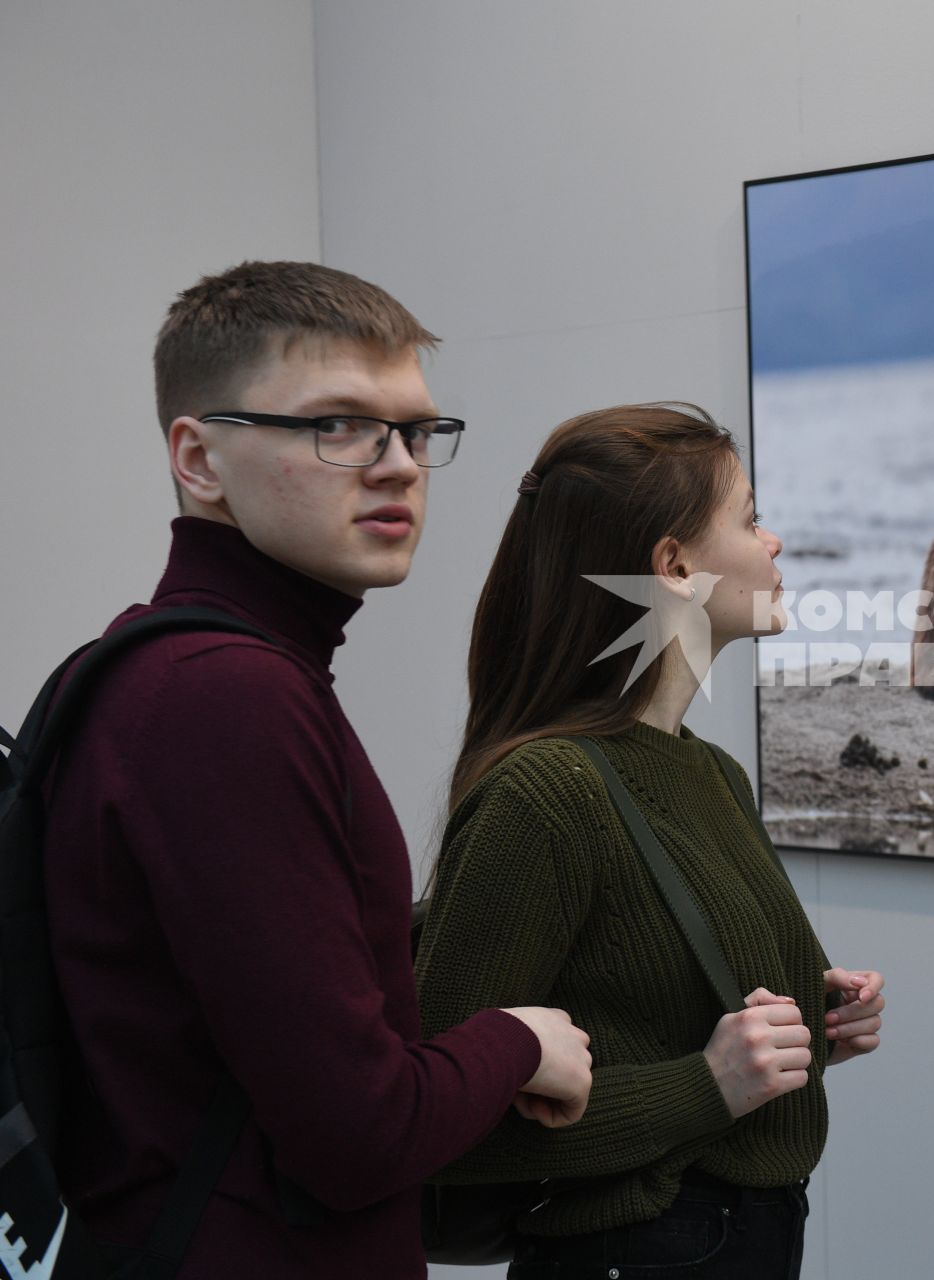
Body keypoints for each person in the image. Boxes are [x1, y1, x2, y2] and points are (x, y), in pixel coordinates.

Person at [40, 261, 595, 1278]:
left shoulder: (157, 665)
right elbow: (358, 1134)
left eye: (417, 430)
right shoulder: (225, 698)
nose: (397, 465)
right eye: (337, 424)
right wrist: (518, 1039)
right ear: (199, 457)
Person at [414, 403, 886, 1279]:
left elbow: (663, 1011)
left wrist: (818, 1023)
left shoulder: (711, 774)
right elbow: (434, 1123)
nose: (773, 541)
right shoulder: (546, 795)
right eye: (748, 519)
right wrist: (704, 1086)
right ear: (673, 567)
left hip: (750, 1237)